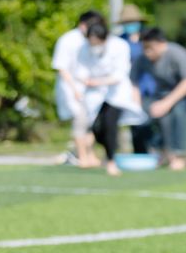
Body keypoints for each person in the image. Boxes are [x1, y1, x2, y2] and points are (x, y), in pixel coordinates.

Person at [73, 19, 146, 176]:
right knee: (96, 128)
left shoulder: (119, 46)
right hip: (94, 93)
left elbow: (120, 74)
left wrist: (99, 81)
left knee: (109, 124)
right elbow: (81, 69)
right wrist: (84, 81)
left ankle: (111, 160)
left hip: (116, 92)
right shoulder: (84, 49)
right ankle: (109, 152)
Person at [135, 28, 186, 170]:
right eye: (144, 48)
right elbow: (133, 82)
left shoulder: (177, 53)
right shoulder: (143, 58)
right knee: (147, 114)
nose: (146, 52)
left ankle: (179, 154)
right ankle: (162, 151)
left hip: (185, 93)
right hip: (161, 95)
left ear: (160, 44)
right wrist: (137, 106)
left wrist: (167, 103)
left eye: (149, 48)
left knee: (177, 112)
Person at [53, 11, 103, 167]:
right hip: (72, 88)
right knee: (80, 122)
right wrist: (74, 89)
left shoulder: (91, 39)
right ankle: (82, 156)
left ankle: (88, 154)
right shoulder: (68, 40)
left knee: (91, 123)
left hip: (89, 88)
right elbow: (61, 67)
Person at [118, 3, 157, 155]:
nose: (131, 25)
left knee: (151, 121)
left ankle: (155, 151)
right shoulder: (120, 41)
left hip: (150, 85)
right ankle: (140, 154)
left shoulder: (149, 38)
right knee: (135, 123)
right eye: (127, 22)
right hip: (129, 87)